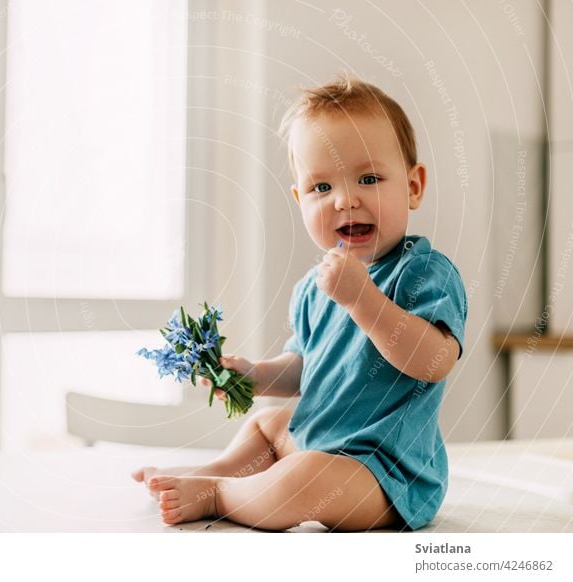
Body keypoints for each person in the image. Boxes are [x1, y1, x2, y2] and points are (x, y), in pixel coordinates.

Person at [131, 75, 467, 532]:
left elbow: (434, 360)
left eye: (369, 178)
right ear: (299, 199)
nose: (346, 200)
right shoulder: (315, 287)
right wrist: (253, 374)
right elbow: (305, 367)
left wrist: (363, 300)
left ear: (412, 186)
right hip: (319, 440)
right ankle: (213, 472)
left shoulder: (424, 273)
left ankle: (219, 495)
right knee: (267, 426)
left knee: (304, 479)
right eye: (321, 188)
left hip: (383, 472)